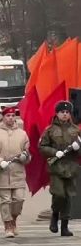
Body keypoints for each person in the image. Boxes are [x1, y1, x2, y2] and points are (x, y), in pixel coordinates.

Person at [0, 106, 31, 238]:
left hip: (18, 172)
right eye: (8, 116)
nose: (10, 118)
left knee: (19, 199)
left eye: (13, 116)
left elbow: (28, 153)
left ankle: (13, 218)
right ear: (3, 117)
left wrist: (25, 157)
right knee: (6, 200)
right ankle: (8, 225)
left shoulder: (22, 134)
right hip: (2, 172)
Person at [39, 100, 81, 237]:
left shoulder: (76, 130)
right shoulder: (50, 130)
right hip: (56, 167)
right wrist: (54, 152)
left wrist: (77, 148)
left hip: (71, 167)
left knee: (68, 196)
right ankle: (55, 215)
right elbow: (42, 147)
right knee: (59, 194)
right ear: (57, 113)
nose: (65, 114)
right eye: (62, 112)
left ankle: (64, 226)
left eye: (67, 112)